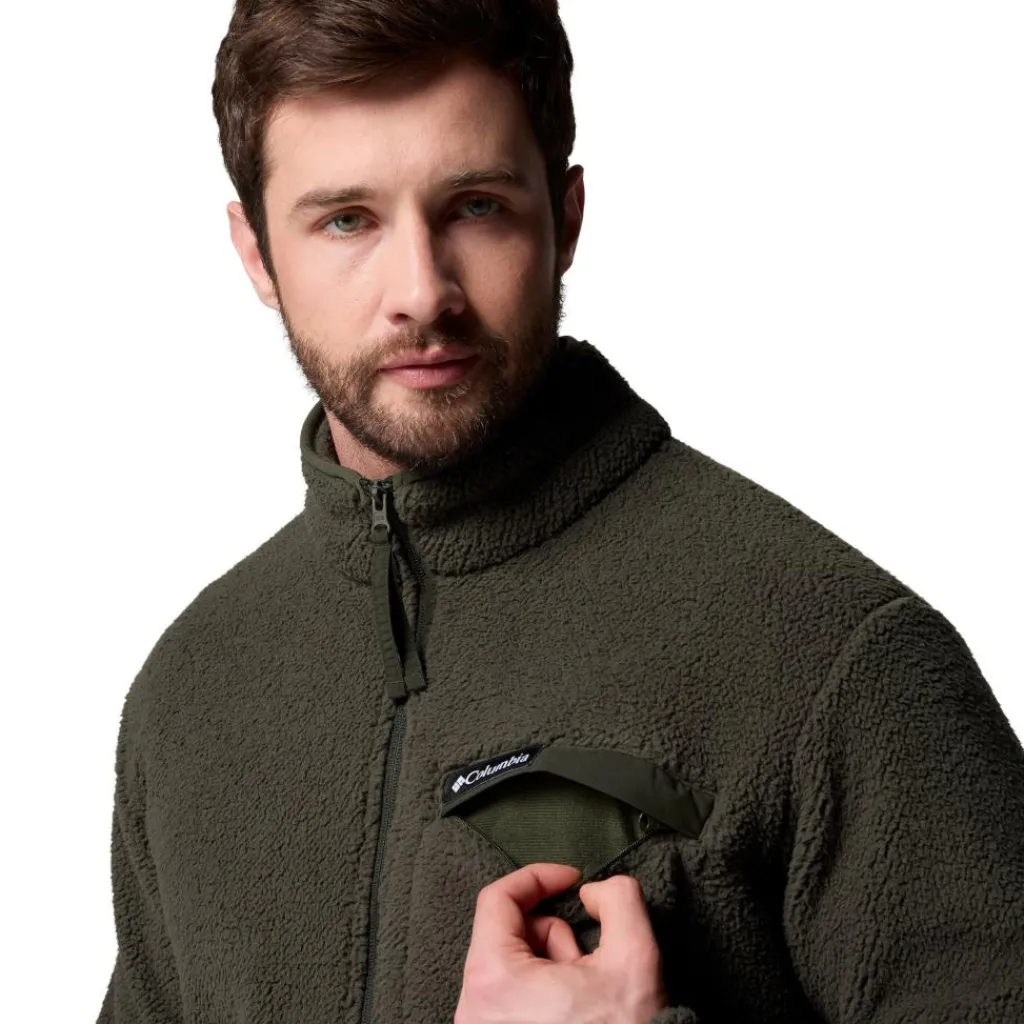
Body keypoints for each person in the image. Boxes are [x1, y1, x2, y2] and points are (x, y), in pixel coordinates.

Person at [97, 1, 1024, 1021]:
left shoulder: (831, 653)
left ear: (566, 217)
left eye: (475, 206)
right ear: (257, 254)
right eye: (347, 220)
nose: (422, 291)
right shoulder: (189, 695)